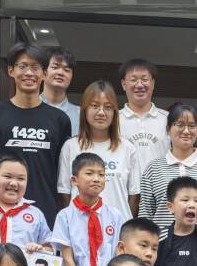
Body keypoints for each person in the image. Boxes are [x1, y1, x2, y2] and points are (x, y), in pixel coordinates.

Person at [0, 42, 72, 217]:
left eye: (35, 67)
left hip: (46, 213)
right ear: (11, 70)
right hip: (2, 213)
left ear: (44, 73)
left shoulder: (59, 120)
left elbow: (63, 172)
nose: (29, 73)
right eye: (23, 66)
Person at [52, 152, 125, 266]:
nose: (96, 179)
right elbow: (68, 259)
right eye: (89, 173)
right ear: (74, 180)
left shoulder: (114, 215)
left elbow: (118, 257)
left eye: (101, 174)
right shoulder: (65, 216)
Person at [57, 80, 141, 218]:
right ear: (85, 109)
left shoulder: (128, 148)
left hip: (118, 228)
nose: (101, 112)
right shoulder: (71, 146)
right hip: (79, 226)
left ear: (115, 112)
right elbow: (64, 192)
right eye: (94, 106)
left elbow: (134, 195)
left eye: (108, 107)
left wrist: (124, 224)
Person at [138, 104, 197, 235]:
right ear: (168, 129)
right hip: (161, 245)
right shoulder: (153, 168)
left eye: (192, 126)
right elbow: (145, 215)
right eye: (179, 125)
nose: (186, 131)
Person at [0, 152, 54, 249]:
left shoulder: (36, 214)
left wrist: (40, 248)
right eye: (7, 176)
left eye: (20, 178)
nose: (13, 183)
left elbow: (49, 246)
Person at [118, 58, 167, 166]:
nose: (139, 85)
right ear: (124, 84)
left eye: (144, 79)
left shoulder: (168, 119)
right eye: (133, 80)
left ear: (153, 83)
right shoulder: (113, 120)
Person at [41, 46, 80, 136]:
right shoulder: (27, 110)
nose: (61, 73)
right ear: (43, 72)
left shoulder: (81, 115)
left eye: (66, 70)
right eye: (55, 67)